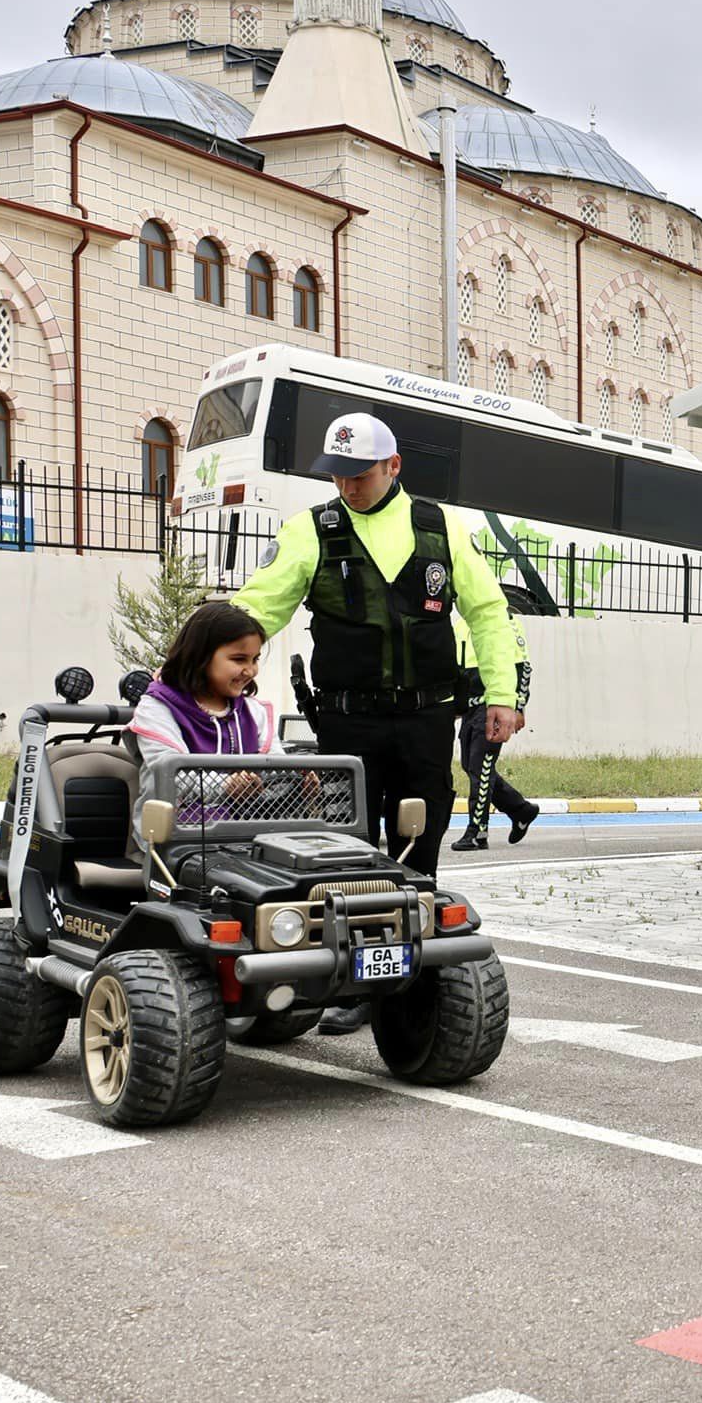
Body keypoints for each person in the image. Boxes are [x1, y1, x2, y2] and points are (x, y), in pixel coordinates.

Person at [231, 411, 517, 1032]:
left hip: (425, 720)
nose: (347, 487)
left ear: (393, 467)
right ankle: (356, 984)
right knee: (351, 857)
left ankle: (415, 975)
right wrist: (211, 660)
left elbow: (490, 613)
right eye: (337, 475)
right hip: (346, 725)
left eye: (359, 474)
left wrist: (503, 693)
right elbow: (261, 604)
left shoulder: (441, 528)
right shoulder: (312, 530)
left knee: (419, 854)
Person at [127, 601, 287, 834]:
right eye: (239, 659)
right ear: (200, 656)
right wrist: (226, 785)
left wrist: (297, 781)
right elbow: (171, 774)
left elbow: (276, 765)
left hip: (249, 831)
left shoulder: (254, 711)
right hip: (177, 838)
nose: (250, 670)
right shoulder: (157, 708)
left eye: (254, 659)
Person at [451, 605, 540, 851]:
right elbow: (459, 670)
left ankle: (477, 832)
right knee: (471, 765)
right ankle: (521, 810)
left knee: (481, 767)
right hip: (470, 709)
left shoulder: (504, 621)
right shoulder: (461, 624)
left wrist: (519, 707)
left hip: (494, 706)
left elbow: (523, 668)